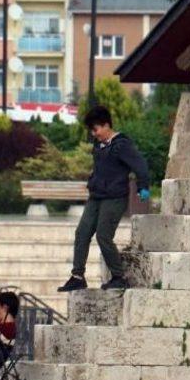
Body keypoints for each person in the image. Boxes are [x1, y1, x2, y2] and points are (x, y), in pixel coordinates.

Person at [58, 105, 150, 293]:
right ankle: (77, 276)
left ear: (106, 125)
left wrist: (143, 186)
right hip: (97, 196)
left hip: (115, 197)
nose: (94, 134)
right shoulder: (98, 146)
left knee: (103, 236)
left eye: (96, 129)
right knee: (82, 232)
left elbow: (140, 166)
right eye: (92, 130)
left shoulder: (121, 145)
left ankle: (118, 276)